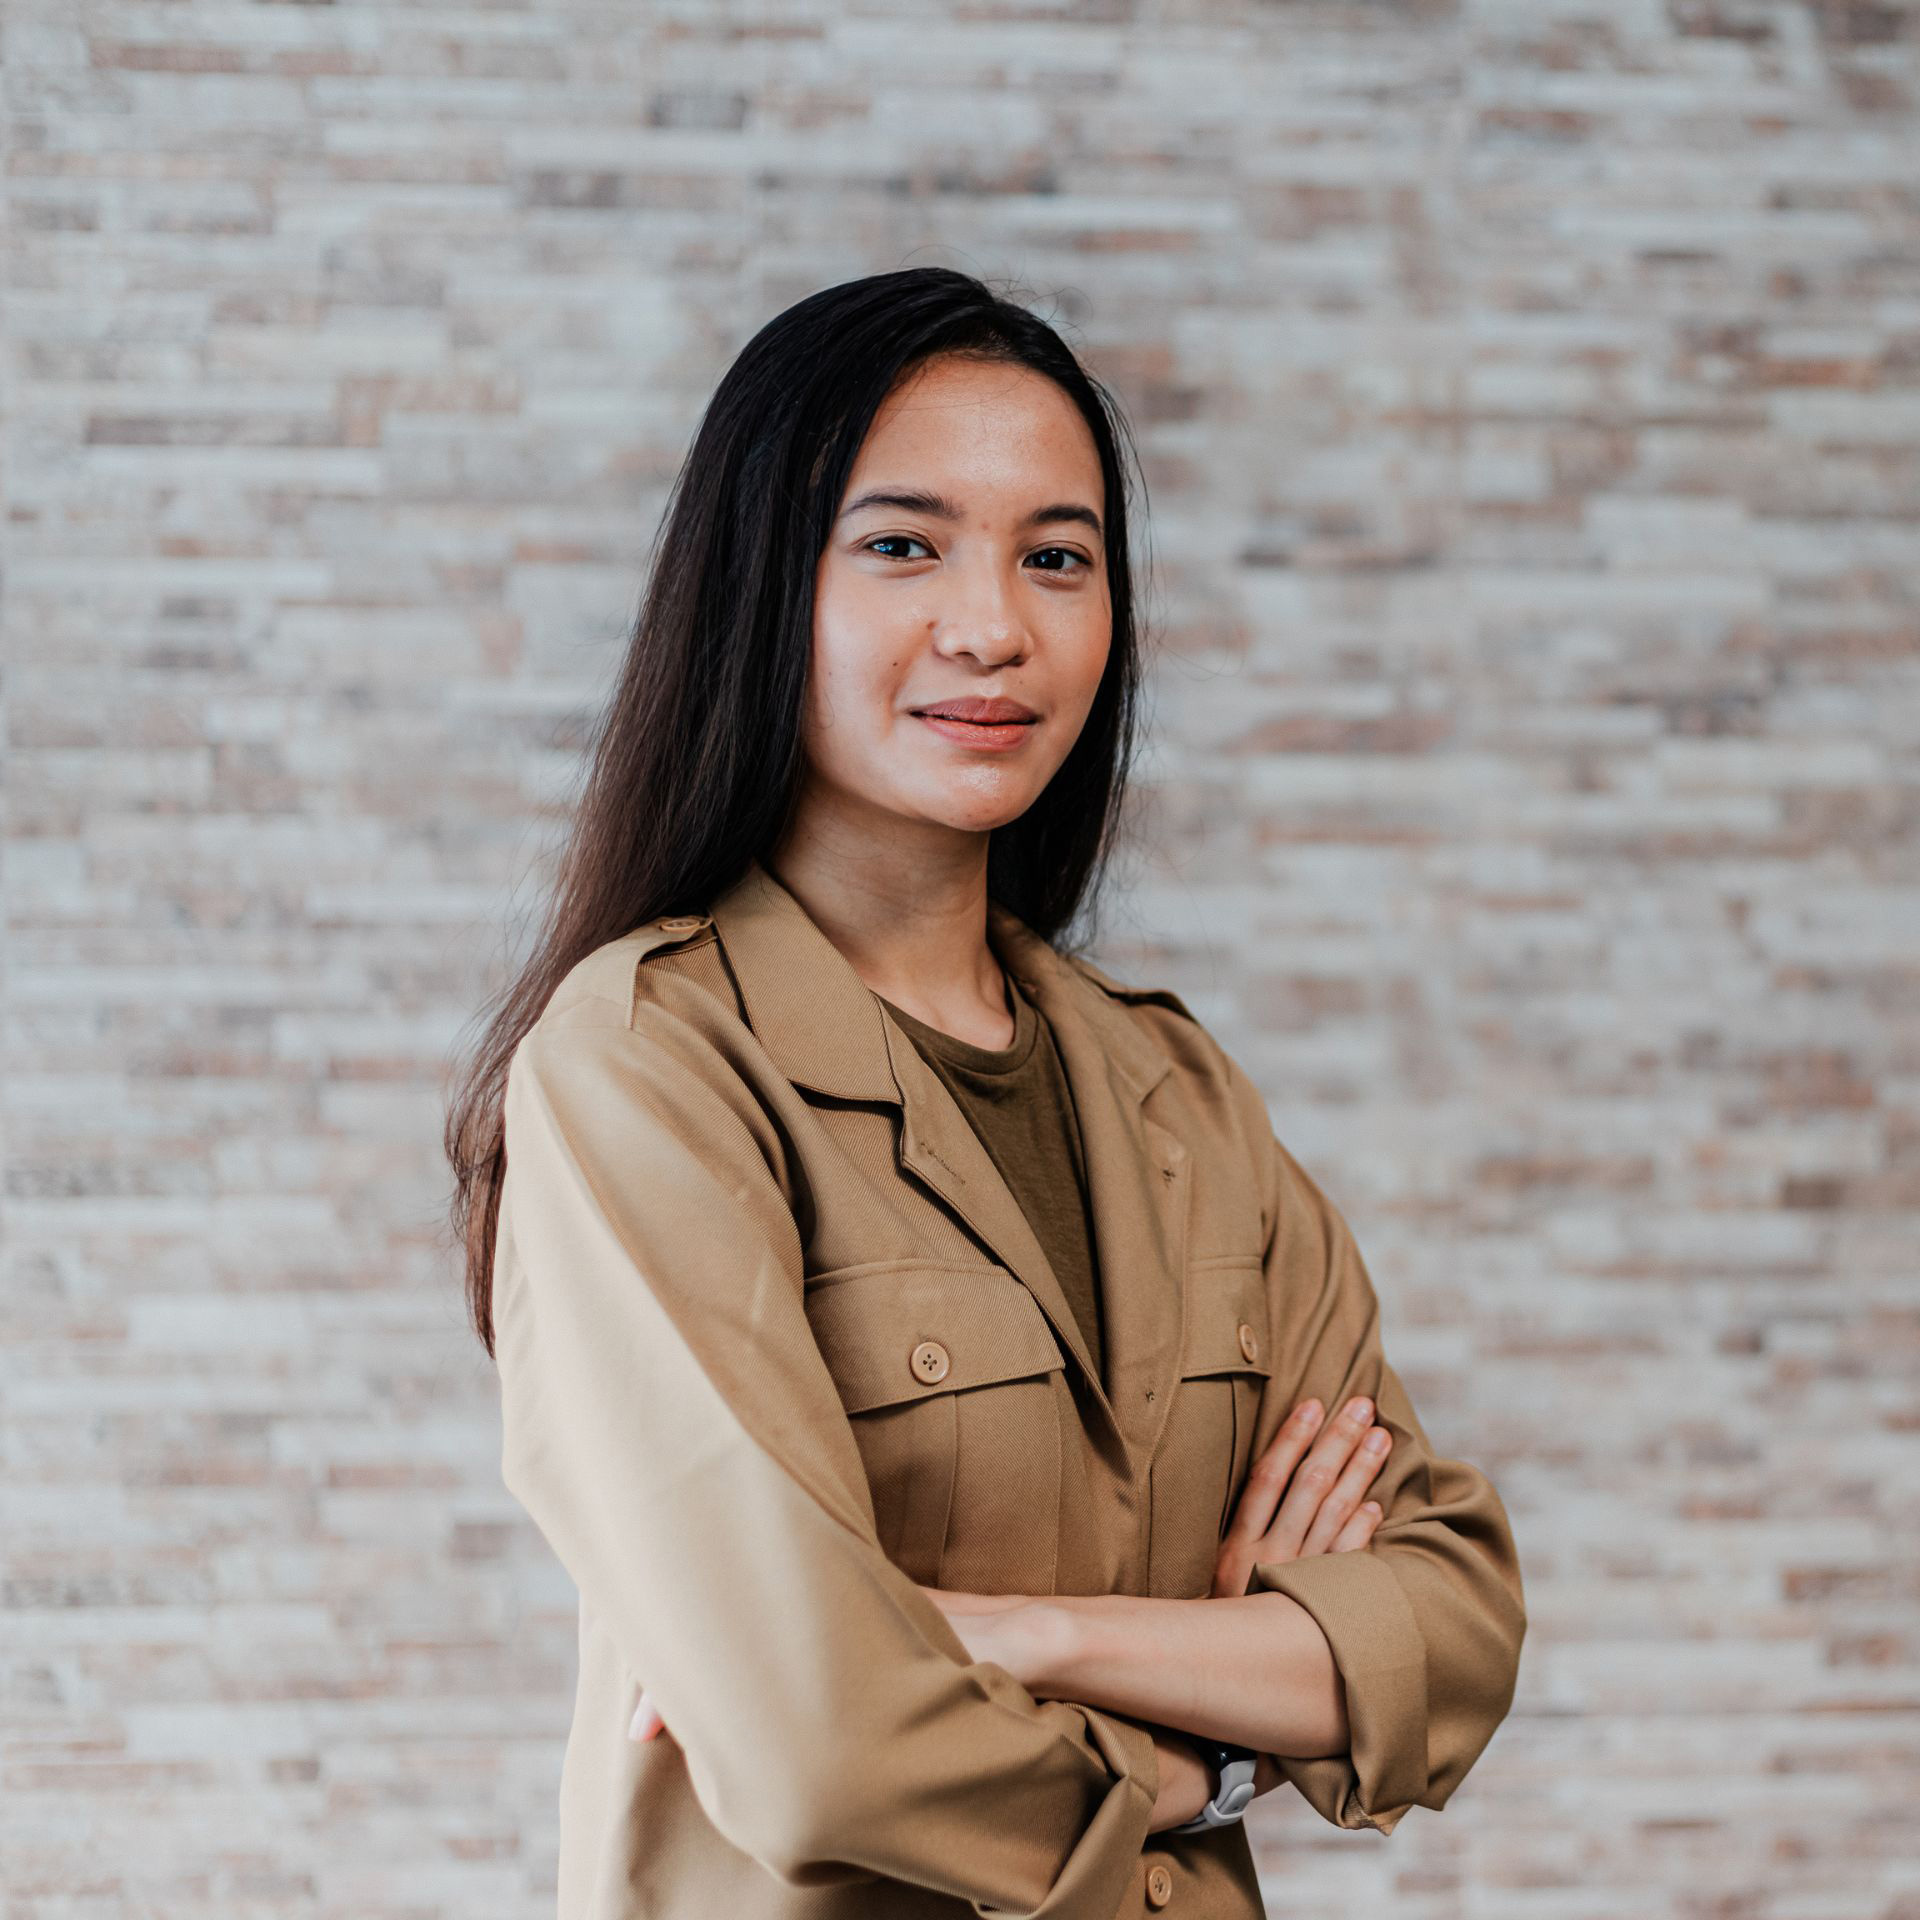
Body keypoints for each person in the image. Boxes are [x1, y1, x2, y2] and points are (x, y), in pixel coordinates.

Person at [444, 266, 1526, 1920]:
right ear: (762, 586)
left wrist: (1037, 1637)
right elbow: (823, 1743)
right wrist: (1214, 1753)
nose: (993, 625)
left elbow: (1449, 1627)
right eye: (902, 543)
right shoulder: (648, 1069)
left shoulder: (1175, 1091)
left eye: (1057, 556)